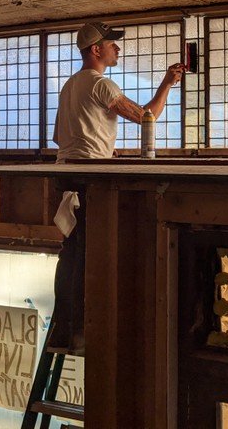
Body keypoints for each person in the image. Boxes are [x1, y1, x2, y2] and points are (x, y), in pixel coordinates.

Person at [50, 21, 184, 352]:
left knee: (73, 252)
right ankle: (83, 328)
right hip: (88, 177)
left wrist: (103, 148)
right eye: (112, 44)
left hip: (65, 171)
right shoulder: (101, 84)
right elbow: (146, 116)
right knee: (90, 254)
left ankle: (64, 328)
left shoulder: (70, 85)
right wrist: (167, 83)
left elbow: (62, 137)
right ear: (96, 50)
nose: (117, 49)